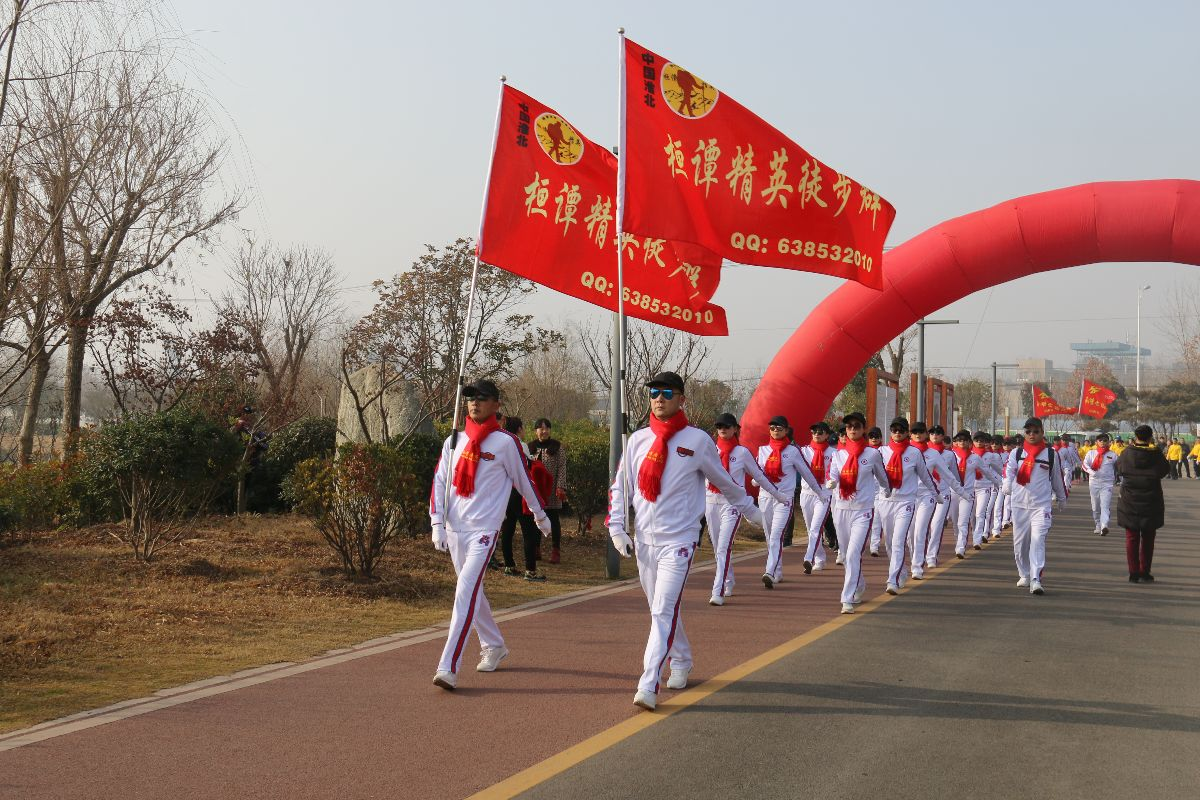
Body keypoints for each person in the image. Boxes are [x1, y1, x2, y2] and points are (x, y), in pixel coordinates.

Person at [607, 372, 762, 712]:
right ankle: (681, 658)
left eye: (666, 393)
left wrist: (752, 511)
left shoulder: (697, 440)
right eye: (653, 392)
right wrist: (616, 527)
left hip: (679, 539)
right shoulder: (638, 440)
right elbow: (622, 486)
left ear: (681, 399)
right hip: (645, 540)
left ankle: (648, 684)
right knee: (659, 608)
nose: (658, 399)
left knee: (663, 609)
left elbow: (724, 481)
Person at [428, 379, 552, 690]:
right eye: (470, 397)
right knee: (472, 592)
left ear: (496, 405)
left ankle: (448, 666)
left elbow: (524, 480)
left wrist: (540, 515)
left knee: (464, 592)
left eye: (482, 398)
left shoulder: (505, 443)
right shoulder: (454, 440)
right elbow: (440, 481)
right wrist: (436, 522)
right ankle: (494, 644)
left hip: (484, 530)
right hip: (455, 528)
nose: (475, 402)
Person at [705, 413, 790, 605]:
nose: (722, 429)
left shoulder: (742, 453)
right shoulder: (710, 449)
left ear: (735, 429)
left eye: (727, 426)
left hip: (732, 504)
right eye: (719, 426)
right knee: (717, 547)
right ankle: (728, 580)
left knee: (724, 547)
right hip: (711, 502)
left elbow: (759, 476)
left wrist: (778, 496)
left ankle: (717, 591)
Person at [827, 412, 891, 614]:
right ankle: (859, 583)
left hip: (863, 510)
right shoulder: (838, 454)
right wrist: (832, 482)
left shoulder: (872, 454)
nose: (852, 429)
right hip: (841, 509)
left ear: (863, 429)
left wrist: (887, 490)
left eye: (856, 426)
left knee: (854, 553)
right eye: (849, 427)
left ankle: (846, 598)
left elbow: (882, 476)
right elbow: (833, 473)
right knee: (846, 554)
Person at [756, 415, 826, 588]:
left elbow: (807, 473)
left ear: (786, 430)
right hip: (765, 497)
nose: (775, 430)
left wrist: (819, 492)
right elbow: (758, 471)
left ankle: (770, 571)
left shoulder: (793, 451)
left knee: (776, 536)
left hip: (784, 500)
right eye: (772, 428)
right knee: (770, 538)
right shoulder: (763, 450)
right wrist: (755, 480)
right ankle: (778, 571)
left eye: (779, 428)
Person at [1002, 417, 1068, 595]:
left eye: (1036, 431)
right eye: (1028, 431)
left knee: (1038, 540)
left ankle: (1035, 579)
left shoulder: (1051, 454)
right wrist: (1007, 483)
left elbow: (1057, 478)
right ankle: (1024, 574)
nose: (1032, 434)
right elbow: (1009, 471)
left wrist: (1062, 498)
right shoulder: (1016, 453)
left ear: (1042, 433)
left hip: (1041, 506)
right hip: (1020, 505)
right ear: (1024, 433)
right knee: (1020, 545)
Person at [909, 421, 967, 577]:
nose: (935, 435)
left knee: (935, 525)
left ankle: (931, 556)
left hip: (942, 492)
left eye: (938, 433)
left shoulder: (948, 455)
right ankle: (916, 555)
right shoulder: (914, 451)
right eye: (932, 433)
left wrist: (961, 490)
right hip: (917, 493)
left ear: (942, 436)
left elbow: (954, 474)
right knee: (913, 530)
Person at [1116, 424, 1170, 582]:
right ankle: (1144, 571)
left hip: (1129, 500)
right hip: (1151, 499)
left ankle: (1133, 572)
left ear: (1136, 436)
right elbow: (1164, 470)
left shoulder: (1127, 452)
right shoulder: (1156, 453)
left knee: (1131, 537)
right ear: (1150, 437)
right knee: (1148, 537)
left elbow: (1119, 469)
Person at [499, 417, 546, 581]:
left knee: (507, 530)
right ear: (519, 429)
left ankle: (509, 565)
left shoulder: (501, 444)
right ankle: (530, 570)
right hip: (519, 493)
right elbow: (527, 468)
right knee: (529, 531)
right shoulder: (520, 445)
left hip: (505, 493)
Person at [797, 421, 836, 574]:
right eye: (814, 432)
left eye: (820, 432)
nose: (816, 434)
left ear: (827, 435)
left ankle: (809, 558)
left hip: (824, 494)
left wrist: (833, 482)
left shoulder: (833, 453)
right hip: (807, 493)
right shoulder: (804, 451)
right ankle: (820, 558)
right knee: (810, 529)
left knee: (815, 528)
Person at [529, 418, 568, 563]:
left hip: (552, 490)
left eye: (547, 428)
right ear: (536, 431)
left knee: (554, 520)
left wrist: (560, 486)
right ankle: (536, 549)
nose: (544, 431)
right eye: (541, 428)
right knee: (536, 519)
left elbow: (562, 467)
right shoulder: (530, 447)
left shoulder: (557, 447)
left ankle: (555, 550)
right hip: (535, 490)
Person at [950, 430, 987, 559]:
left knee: (963, 521)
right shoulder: (951, 455)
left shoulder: (975, 458)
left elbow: (986, 471)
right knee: (955, 522)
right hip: (954, 492)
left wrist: (999, 482)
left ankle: (961, 547)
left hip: (968, 494)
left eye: (965, 440)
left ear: (969, 442)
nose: (962, 442)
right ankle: (958, 541)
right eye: (959, 440)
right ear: (956, 442)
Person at [1082, 432, 1119, 535]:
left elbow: (1119, 468)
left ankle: (1104, 526)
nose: (1102, 442)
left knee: (1105, 506)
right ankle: (1098, 524)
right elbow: (1084, 465)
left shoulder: (1113, 455)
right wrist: (1092, 472)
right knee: (1095, 507)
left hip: (1107, 484)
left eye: (1105, 440)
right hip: (1094, 483)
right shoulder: (1091, 453)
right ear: (1096, 442)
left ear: (1108, 442)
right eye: (1100, 440)